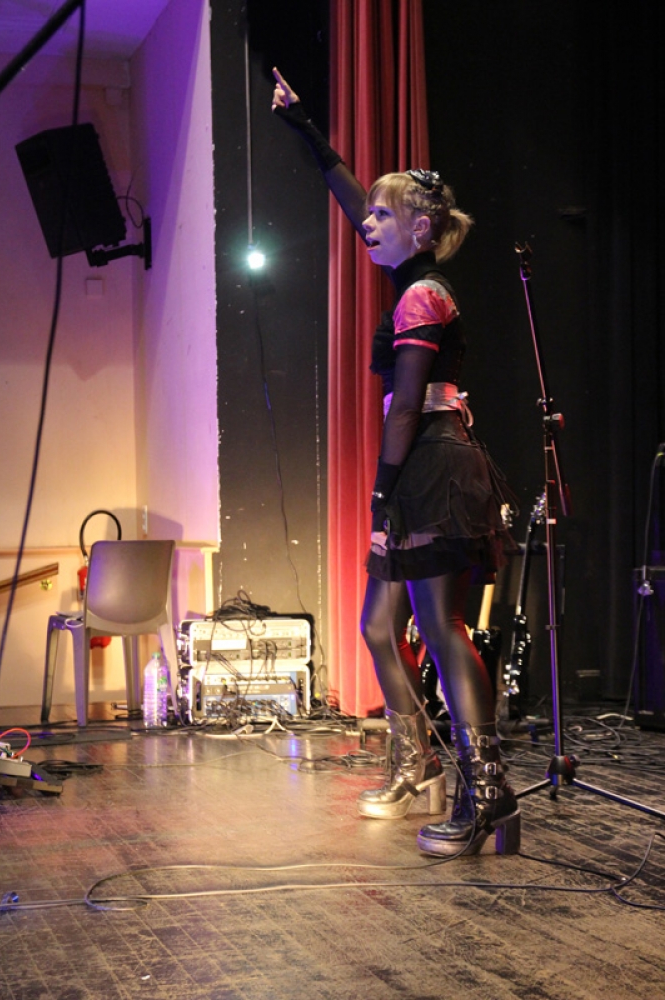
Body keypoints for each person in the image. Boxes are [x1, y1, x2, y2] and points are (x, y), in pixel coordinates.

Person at [271, 68, 519, 857]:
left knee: (442, 628)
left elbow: (407, 406)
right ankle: (420, 765)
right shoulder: (409, 278)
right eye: (369, 212)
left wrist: (382, 492)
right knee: (380, 625)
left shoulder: (424, 296)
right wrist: (305, 129)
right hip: (417, 470)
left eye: (384, 215)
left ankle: (489, 791)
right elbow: (352, 203)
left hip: (434, 468)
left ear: (421, 230)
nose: (367, 223)